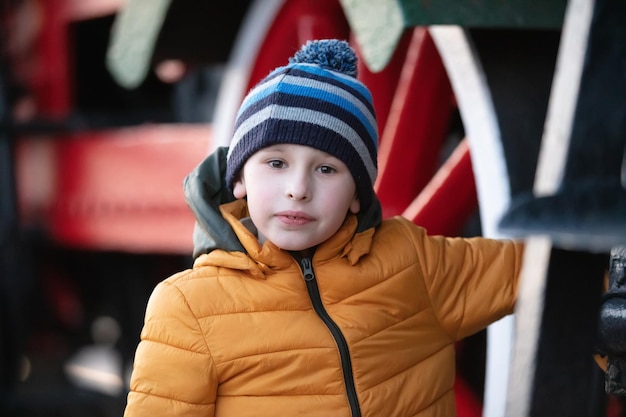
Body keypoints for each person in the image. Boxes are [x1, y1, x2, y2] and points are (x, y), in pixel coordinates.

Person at [123, 39, 524, 417]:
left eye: (327, 169)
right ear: (239, 178)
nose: (298, 189)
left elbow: (538, 269)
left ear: (356, 194)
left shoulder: (413, 261)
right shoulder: (189, 308)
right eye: (276, 163)